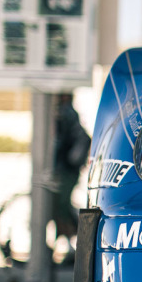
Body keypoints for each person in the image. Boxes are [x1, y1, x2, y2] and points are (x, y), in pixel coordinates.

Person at [51, 92, 90, 263]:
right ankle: (70, 244)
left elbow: (60, 142)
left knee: (61, 205)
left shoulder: (65, 113)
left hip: (66, 168)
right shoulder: (67, 112)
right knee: (61, 205)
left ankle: (75, 243)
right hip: (67, 167)